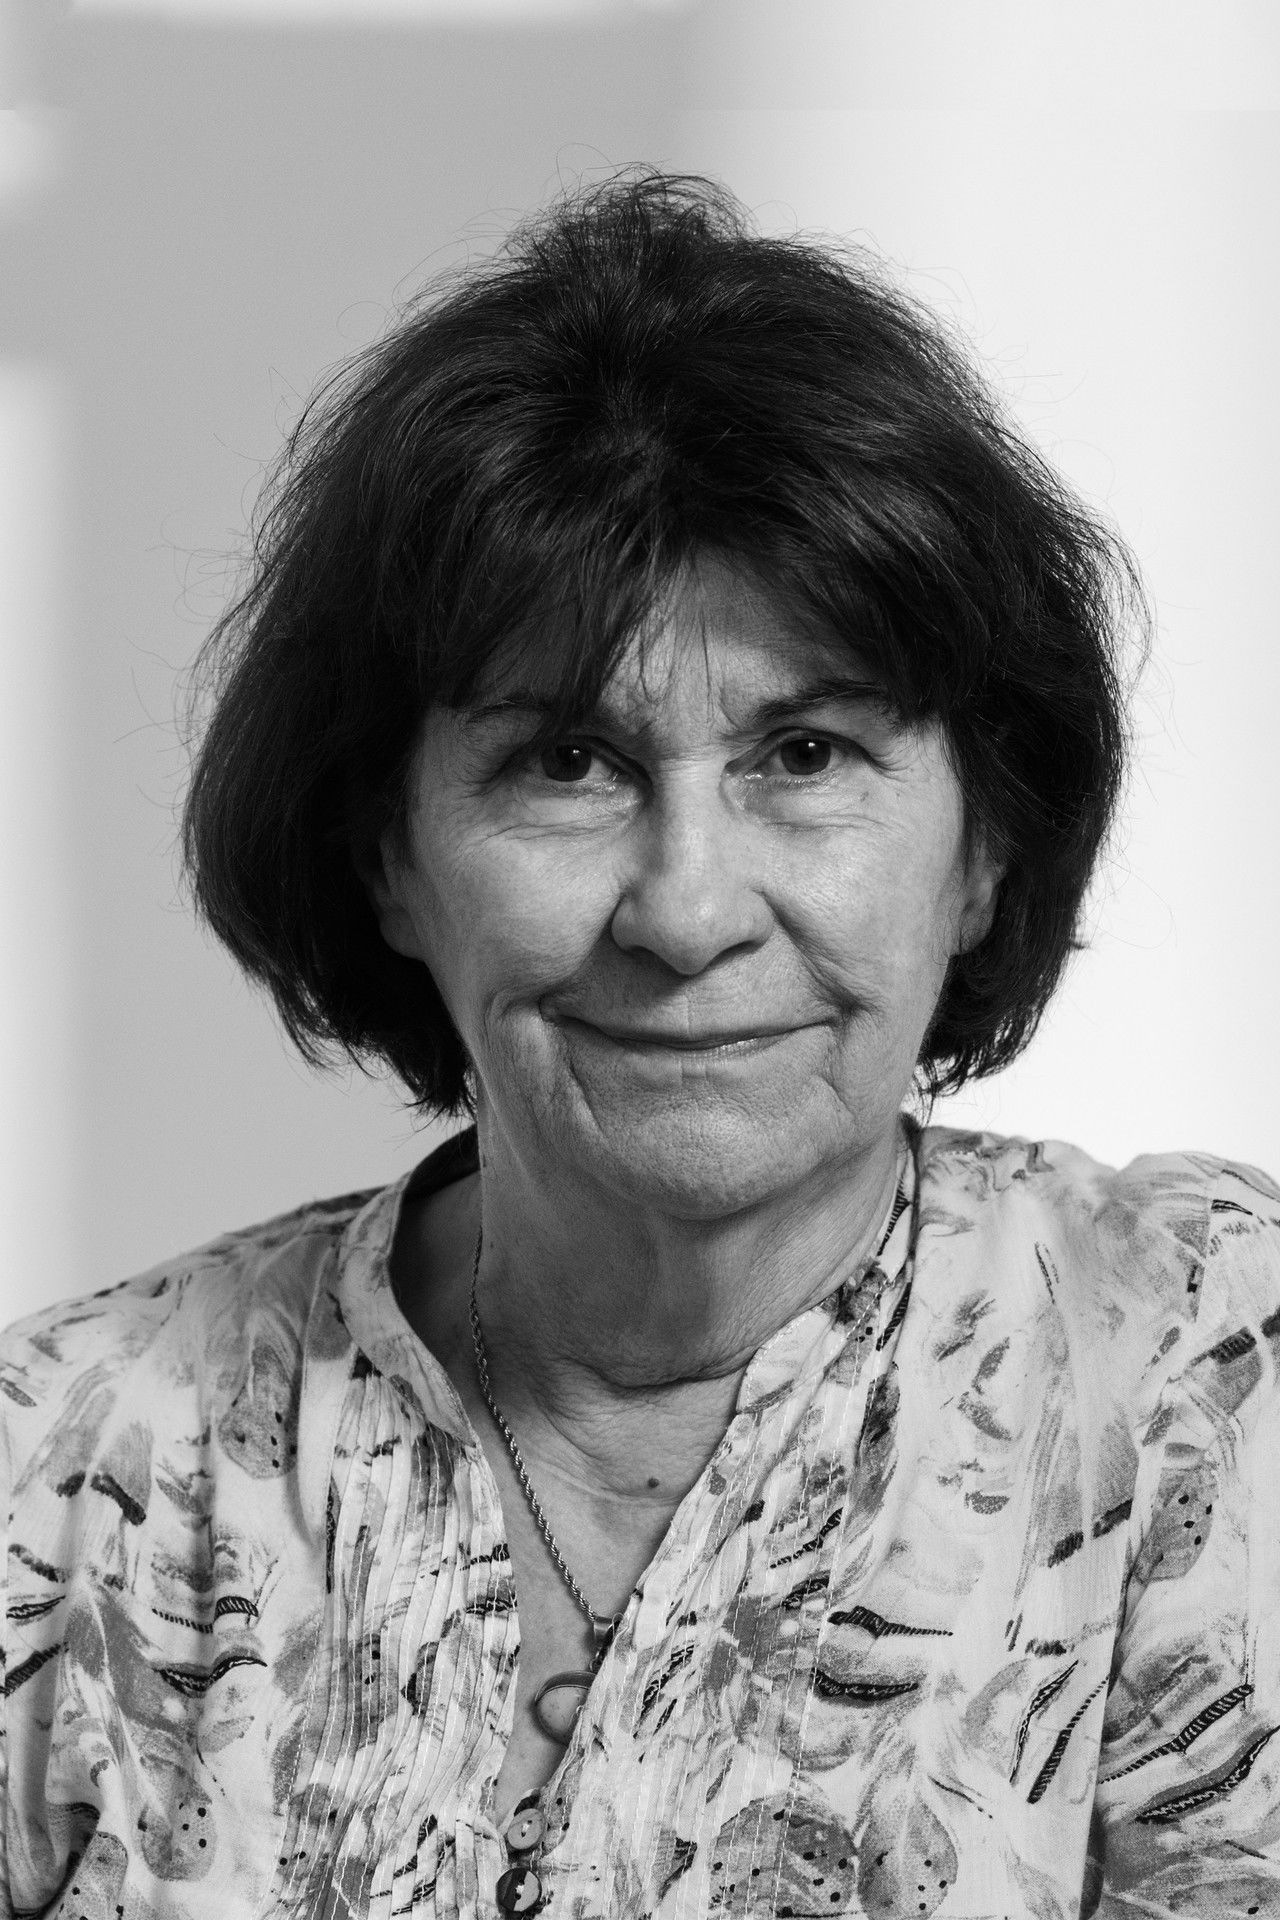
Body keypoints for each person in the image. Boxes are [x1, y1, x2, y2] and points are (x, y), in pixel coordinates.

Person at [2, 171, 1277, 1920]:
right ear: (387, 858)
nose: (686, 911)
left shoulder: (1204, 1379)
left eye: (806, 755)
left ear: (985, 846)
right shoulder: (66, 1469)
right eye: (567, 763)